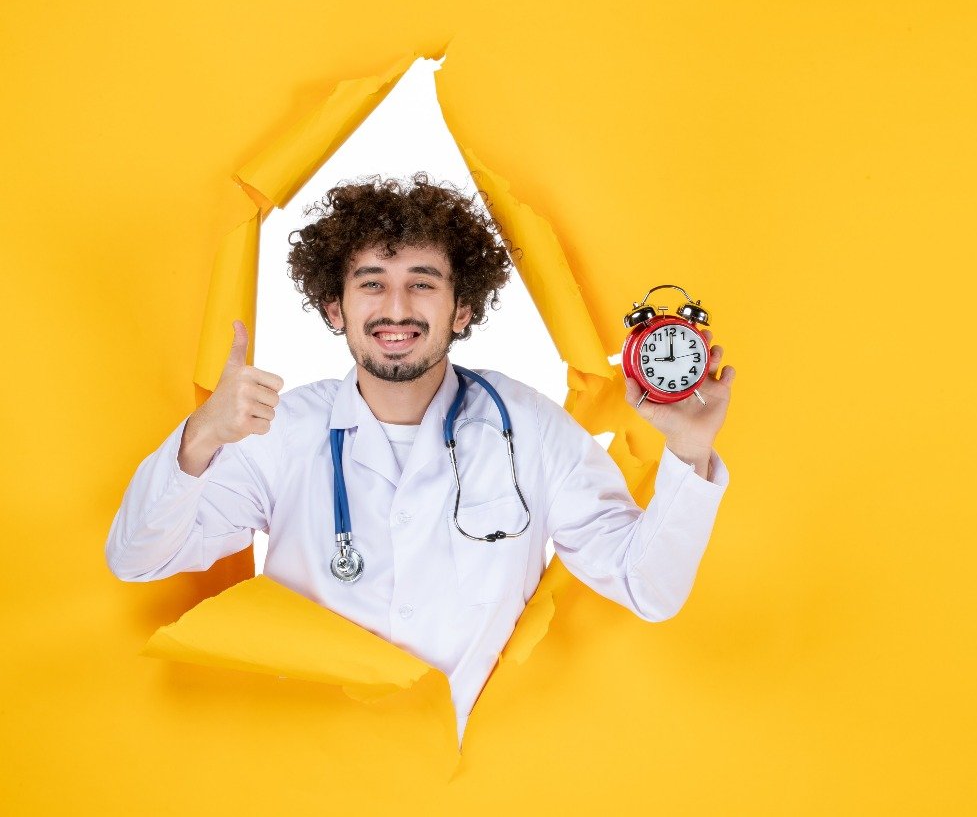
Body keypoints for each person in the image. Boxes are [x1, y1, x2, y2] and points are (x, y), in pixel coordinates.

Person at [106, 173, 735, 742]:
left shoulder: (533, 429)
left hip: (460, 779)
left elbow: (647, 587)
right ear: (336, 308)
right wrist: (200, 438)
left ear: (462, 309)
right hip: (306, 768)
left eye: (422, 284)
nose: (397, 309)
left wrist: (688, 447)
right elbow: (137, 559)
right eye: (371, 284)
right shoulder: (281, 430)